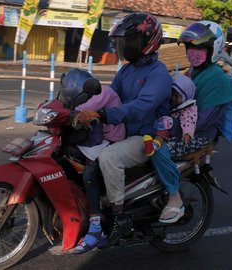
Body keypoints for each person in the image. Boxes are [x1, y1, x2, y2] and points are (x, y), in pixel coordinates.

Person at [73, 12, 172, 247]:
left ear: (147, 42)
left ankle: (119, 216)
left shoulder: (159, 74)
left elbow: (140, 108)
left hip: (145, 136)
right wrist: (79, 102)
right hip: (123, 132)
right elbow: (109, 95)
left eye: (129, 41)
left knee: (108, 158)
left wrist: (104, 115)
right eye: (123, 42)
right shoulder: (126, 71)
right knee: (78, 152)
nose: (124, 47)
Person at [58, 69, 126, 254]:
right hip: (95, 138)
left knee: (89, 173)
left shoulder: (101, 93)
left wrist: (62, 113)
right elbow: (66, 105)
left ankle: (96, 227)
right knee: (65, 154)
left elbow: (80, 111)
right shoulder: (83, 94)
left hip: (111, 140)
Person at [175, 21, 232, 155]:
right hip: (183, 127)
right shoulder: (193, 72)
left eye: (200, 48)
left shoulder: (217, 80)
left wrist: (168, 125)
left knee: (157, 151)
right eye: (189, 46)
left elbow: (200, 122)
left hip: (199, 135)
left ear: (214, 49)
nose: (192, 52)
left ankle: (170, 177)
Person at [143, 74, 197, 223]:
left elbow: (189, 121)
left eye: (177, 96)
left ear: (185, 96)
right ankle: (154, 144)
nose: (173, 99)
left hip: (174, 136)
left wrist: (187, 133)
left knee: (160, 145)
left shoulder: (189, 107)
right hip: (165, 132)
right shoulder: (172, 106)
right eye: (171, 95)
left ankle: (174, 194)